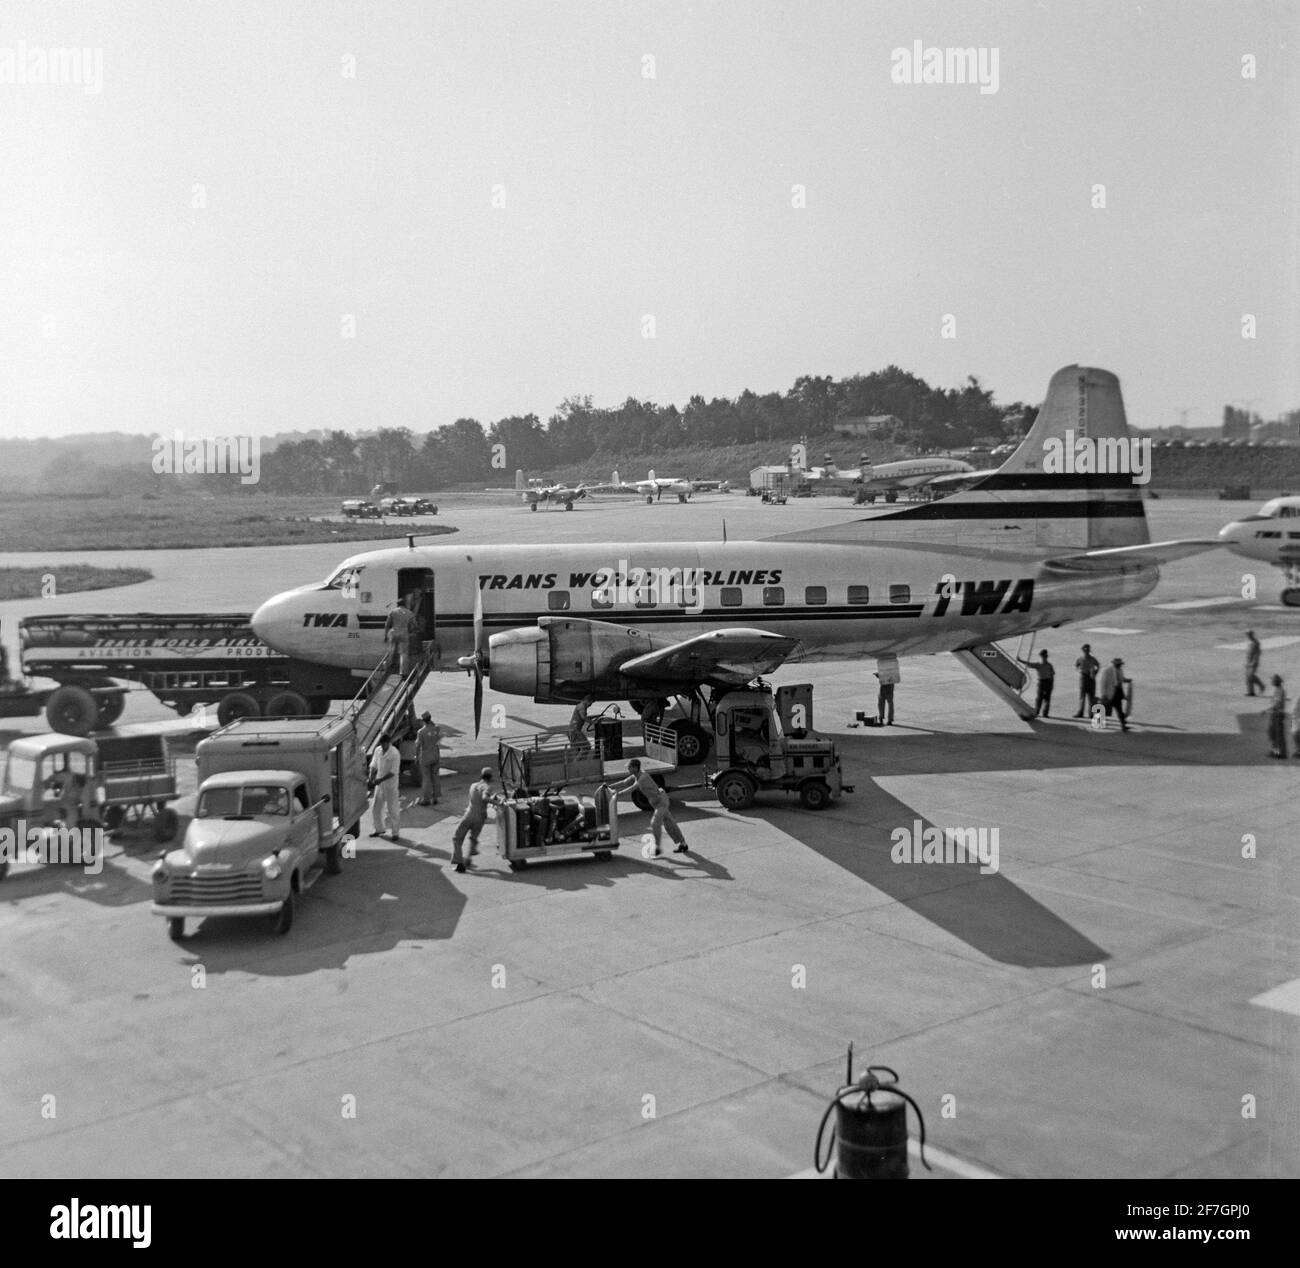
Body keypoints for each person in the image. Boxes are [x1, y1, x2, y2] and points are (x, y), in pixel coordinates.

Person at [610, 758, 688, 856]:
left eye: (629, 767)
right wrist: (609, 786)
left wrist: (618, 794)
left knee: (655, 823)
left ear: (635, 768)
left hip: (661, 802)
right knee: (670, 824)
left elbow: (633, 787)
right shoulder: (635, 775)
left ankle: (658, 848)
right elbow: (624, 782)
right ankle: (683, 844)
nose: (628, 769)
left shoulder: (643, 777)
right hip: (656, 803)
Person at [451, 768, 497, 872]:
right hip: (480, 818)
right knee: (473, 838)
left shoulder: (473, 785)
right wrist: (497, 803)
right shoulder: (487, 787)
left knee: (457, 838)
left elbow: (474, 799)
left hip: (469, 815)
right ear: (490, 778)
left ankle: (460, 863)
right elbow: (485, 798)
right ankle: (469, 858)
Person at [367, 733, 402, 839]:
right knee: (376, 808)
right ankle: (379, 829)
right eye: (382, 745)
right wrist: (371, 777)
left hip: (390, 785)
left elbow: (393, 772)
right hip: (379, 784)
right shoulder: (378, 750)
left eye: (385, 745)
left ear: (389, 743)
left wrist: (380, 780)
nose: (383, 747)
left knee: (392, 809)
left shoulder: (395, 754)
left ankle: (395, 833)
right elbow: (373, 764)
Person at [1018, 649, 1056, 717]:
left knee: (1039, 698)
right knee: (1047, 699)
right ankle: (1045, 713)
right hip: (1048, 682)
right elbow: (1052, 675)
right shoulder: (1049, 665)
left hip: (1042, 682)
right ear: (1046, 657)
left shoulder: (1038, 665)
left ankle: (1037, 711)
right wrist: (1052, 685)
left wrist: (1020, 660)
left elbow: (1028, 663)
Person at [415, 711, 442, 805]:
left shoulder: (421, 732)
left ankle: (426, 799)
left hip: (426, 757)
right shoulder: (437, 728)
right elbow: (438, 739)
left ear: (423, 720)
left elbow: (418, 745)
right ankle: (435, 798)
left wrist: (416, 757)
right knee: (435, 777)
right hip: (435, 755)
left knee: (426, 778)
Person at [1097, 657, 1130, 732]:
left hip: (1118, 692)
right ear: (1115, 664)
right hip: (1109, 693)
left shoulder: (1120, 670)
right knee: (1103, 708)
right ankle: (1099, 723)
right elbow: (1103, 683)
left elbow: (1121, 679)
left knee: (1119, 709)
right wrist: (1103, 694)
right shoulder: (1107, 671)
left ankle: (1123, 725)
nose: (1120, 666)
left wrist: (1126, 680)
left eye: (1120, 664)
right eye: (1118, 664)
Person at [384, 598, 414, 677]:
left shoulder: (392, 612)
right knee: (403, 653)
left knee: (392, 649)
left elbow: (387, 625)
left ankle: (389, 666)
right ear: (405, 604)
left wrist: (385, 636)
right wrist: (411, 630)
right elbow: (414, 624)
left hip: (394, 632)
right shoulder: (409, 612)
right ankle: (403, 672)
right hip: (404, 632)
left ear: (397, 604)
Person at [1073, 643, 1100, 717]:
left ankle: (1091, 713)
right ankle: (1080, 712)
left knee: (1091, 697)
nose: (1087, 651)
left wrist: (1095, 672)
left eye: (1088, 650)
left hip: (1091, 678)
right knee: (1082, 696)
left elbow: (1098, 665)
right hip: (1083, 677)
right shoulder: (1080, 659)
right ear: (1083, 650)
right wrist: (1079, 671)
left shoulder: (1092, 659)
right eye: (1085, 650)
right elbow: (1076, 666)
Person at [1267, 674, 1288, 759]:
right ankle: (1275, 751)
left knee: (1278, 735)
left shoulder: (1280, 691)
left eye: (1272, 680)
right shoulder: (1277, 689)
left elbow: (1277, 704)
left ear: (1276, 682)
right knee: (1273, 734)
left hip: (1278, 714)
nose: (1271, 681)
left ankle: (1281, 753)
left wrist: (1266, 710)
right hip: (1274, 714)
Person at [1245, 630, 1265, 697]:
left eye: (1249, 634)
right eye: (1247, 634)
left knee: (1250, 676)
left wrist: (1253, 662)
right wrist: (1247, 662)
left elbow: (1257, 653)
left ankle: (1261, 685)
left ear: (1252, 635)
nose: (1248, 636)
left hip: (1254, 662)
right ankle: (1251, 692)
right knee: (1248, 677)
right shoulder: (1250, 643)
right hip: (1248, 662)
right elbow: (1248, 653)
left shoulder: (1256, 643)